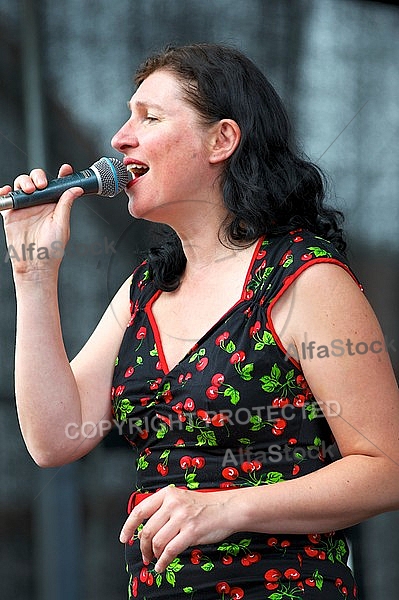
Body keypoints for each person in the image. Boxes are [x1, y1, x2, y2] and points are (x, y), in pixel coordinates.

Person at [1, 43, 399, 600]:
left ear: (222, 140)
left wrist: (227, 507)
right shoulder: (146, 290)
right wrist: (33, 274)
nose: (119, 138)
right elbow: (51, 439)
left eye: (150, 117)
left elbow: (387, 466)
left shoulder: (303, 277)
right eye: (127, 116)